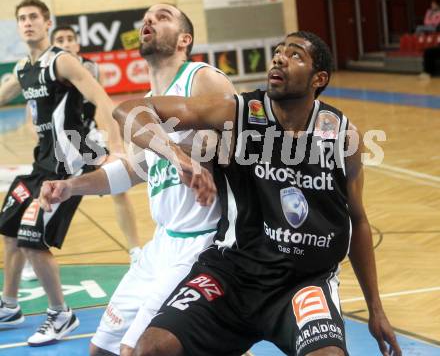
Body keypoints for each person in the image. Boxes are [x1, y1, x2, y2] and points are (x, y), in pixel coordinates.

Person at [112, 31, 402, 356]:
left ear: (318, 78)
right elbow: (129, 110)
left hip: (302, 283)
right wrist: (177, 156)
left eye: (294, 55)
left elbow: (357, 221)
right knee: (150, 349)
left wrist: (375, 309)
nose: (278, 57)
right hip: (232, 274)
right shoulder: (238, 113)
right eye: (278, 51)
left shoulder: (340, 134)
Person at [39, 3, 235, 356]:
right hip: (162, 243)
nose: (150, 20)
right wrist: (71, 187)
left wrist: (197, 153)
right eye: (147, 18)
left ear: (183, 39)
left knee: (137, 350)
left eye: (163, 17)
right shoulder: (143, 106)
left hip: (205, 243)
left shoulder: (201, 77)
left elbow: (237, 141)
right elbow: (132, 170)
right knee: (101, 349)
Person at [0, 0, 123, 346]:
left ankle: (61, 314)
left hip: (69, 166)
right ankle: (9, 305)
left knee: (31, 239)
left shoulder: (62, 62)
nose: (27, 23)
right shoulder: (23, 69)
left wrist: (115, 149)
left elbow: (102, 99)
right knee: (8, 226)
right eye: (21, 18)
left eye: (33, 17)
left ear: (47, 22)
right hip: (41, 164)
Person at [50, 24, 141, 260]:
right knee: (52, 195)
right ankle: (35, 247)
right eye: (60, 39)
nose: (67, 42)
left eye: (71, 38)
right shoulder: (46, 73)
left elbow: (103, 105)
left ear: (78, 44)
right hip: (60, 144)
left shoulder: (89, 67)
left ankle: (135, 250)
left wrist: (116, 144)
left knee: (119, 185)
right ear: (52, 46)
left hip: (87, 139)